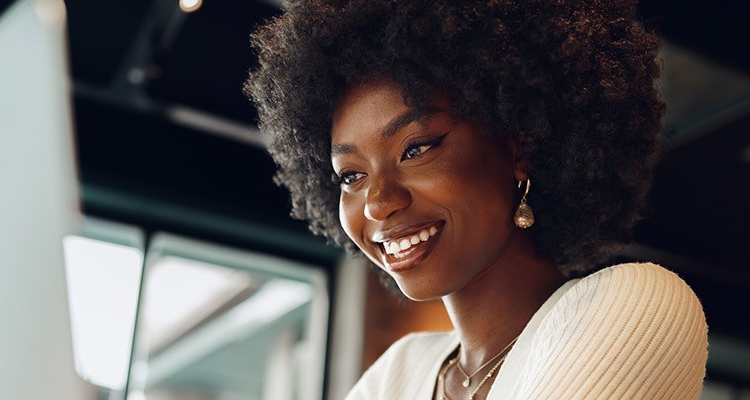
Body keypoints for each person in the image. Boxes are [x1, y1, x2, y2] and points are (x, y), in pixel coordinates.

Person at [244, 0, 709, 399]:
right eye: (350, 175)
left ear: (519, 150)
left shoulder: (631, 304)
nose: (378, 203)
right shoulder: (396, 374)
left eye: (416, 149)